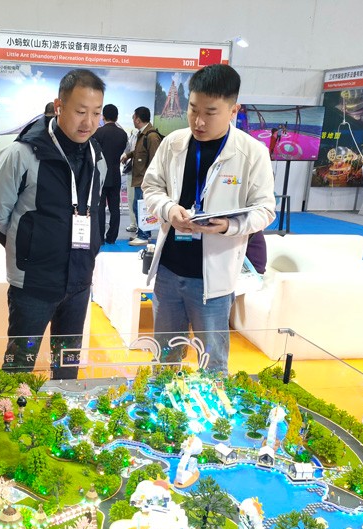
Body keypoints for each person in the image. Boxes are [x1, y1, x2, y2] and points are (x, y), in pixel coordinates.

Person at [142, 64, 275, 374]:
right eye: (193, 109)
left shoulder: (251, 153)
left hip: (213, 280)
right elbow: (151, 187)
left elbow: (265, 210)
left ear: (233, 110)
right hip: (169, 272)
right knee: (164, 359)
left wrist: (229, 226)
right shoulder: (174, 143)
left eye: (210, 113)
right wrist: (168, 209)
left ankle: (214, 407)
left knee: (212, 364)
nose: (198, 121)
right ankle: (160, 402)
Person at [0, 69, 107, 379]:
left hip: (79, 282)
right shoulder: (22, 153)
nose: (88, 122)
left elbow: (94, 210)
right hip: (34, 284)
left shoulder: (97, 157)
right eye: (80, 111)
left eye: (96, 113)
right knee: (19, 367)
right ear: (59, 106)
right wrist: (29, 248)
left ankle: (62, 408)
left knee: (67, 366)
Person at [122, 106, 162, 246]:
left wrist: (150, 181)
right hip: (139, 179)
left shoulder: (151, 136)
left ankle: (144, 236)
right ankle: (142, 233)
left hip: (145, 181)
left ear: (138, 119)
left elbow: (155, 160)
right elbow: (139, 152)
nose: (133, 120)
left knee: (143, 208)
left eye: (133, 117)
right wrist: (128, 155)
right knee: (137, 207)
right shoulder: (143, 135)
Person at [93, 104, 128, 243]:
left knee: (100, 207)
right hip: (115, 174)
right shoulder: (123, 134)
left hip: (100, 175)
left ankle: (100, 237)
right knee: (115, 208)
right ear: (117, 117)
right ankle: (112, 237)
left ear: (103, 116)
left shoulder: (98, 133)